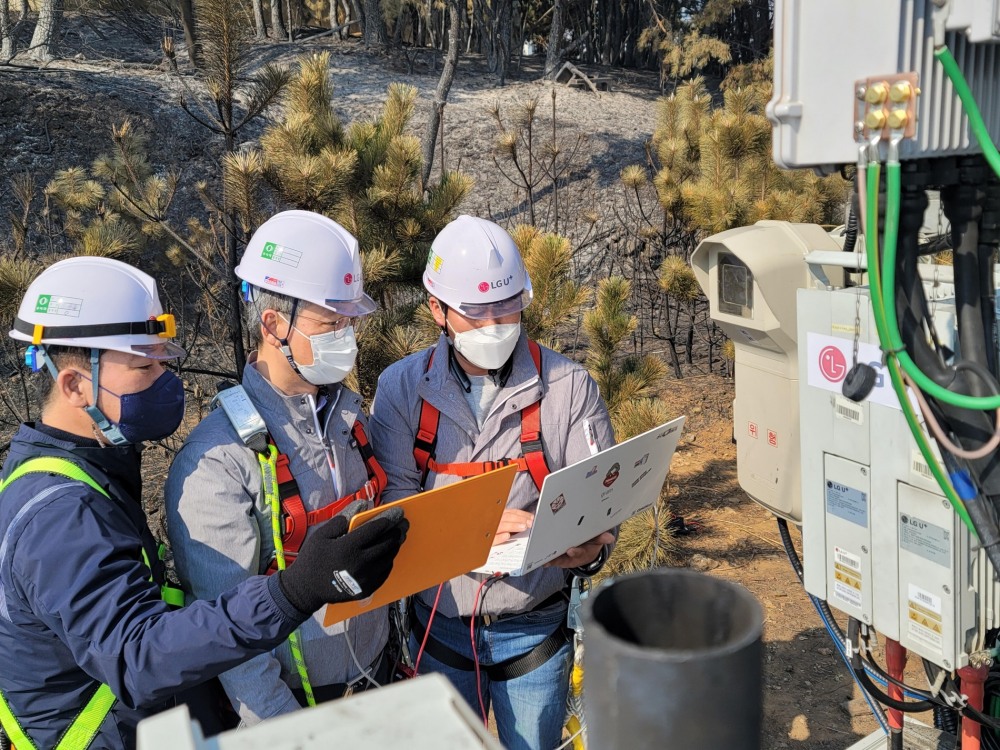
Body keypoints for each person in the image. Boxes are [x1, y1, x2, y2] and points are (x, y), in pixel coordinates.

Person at [0, 255, 408, 750]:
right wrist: (292, 593)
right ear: (74, 384)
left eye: (161, 361)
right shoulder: (62, 514)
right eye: (144, 365)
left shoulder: (88, 475)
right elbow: (138, 658)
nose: (164, 379)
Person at [369, 215, 616, 750]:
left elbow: (601, 502)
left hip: (533, 627)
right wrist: (471, 529)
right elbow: (392, 504)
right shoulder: (402, 389)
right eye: (476, 311)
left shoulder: (568, 387)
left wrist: (589, 549)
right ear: (437, 309)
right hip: (439, 627)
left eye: (507, 306)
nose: (495, 324)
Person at [165, 210, 396, 726]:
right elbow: (231, 644)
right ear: (273, 325)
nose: (348, 337)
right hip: (298, 711)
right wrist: (291, 733)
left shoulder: (348, 418)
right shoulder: (218, 462)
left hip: (378, 682)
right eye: (331, 323)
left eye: (350, 321)